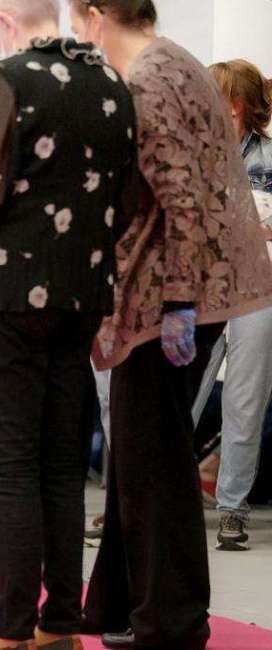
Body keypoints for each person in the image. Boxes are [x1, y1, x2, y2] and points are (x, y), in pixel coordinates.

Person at [0, 1, 138, 648]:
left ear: (2, 20)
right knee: (61, 465)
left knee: (15, 466)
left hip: (12, 295)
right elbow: (129, 199)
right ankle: (60, 626)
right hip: (83, 293)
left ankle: (12, 630)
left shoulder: (10, 78)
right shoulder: (109, 82)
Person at [68, 2, 272, 648]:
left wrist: (181, 302)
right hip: (176, 290)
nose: (78, 36)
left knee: (153, 461)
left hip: (168, 298)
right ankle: (122, 602)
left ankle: (171, 620)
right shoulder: (176, 62)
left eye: (77, 21)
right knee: (138, 455)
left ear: (97, 16)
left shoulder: (152, 75)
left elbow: (180, 194)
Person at [205, 59, 272, 551]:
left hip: (258, 288)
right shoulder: (189, 154)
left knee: (244, 403)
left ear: (247, 104)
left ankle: (231, 509)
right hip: (197, 290)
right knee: (171, 401)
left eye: (230, 99)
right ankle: (135, 503)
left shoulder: (269, 156)